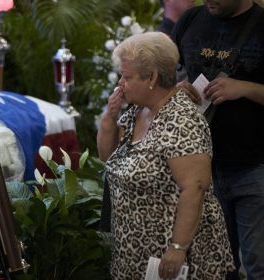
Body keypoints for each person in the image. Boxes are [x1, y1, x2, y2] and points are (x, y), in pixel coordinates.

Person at [97, 32, 234, 279]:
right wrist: (110, 114)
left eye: (127, 77)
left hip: (171, 257)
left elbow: (195, 187)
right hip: (134, 251)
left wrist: (178, 247)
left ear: (152, 77)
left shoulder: (181, 120)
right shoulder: (137, 110)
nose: (120, 84)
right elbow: (108, 156)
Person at [171, 1, 264, 279]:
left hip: (254, 166)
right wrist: (176, 88)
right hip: (198, 170)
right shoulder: (189, 20)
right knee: (215, 268)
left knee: (258, 265)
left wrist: (244, 88)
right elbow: (166, 78)